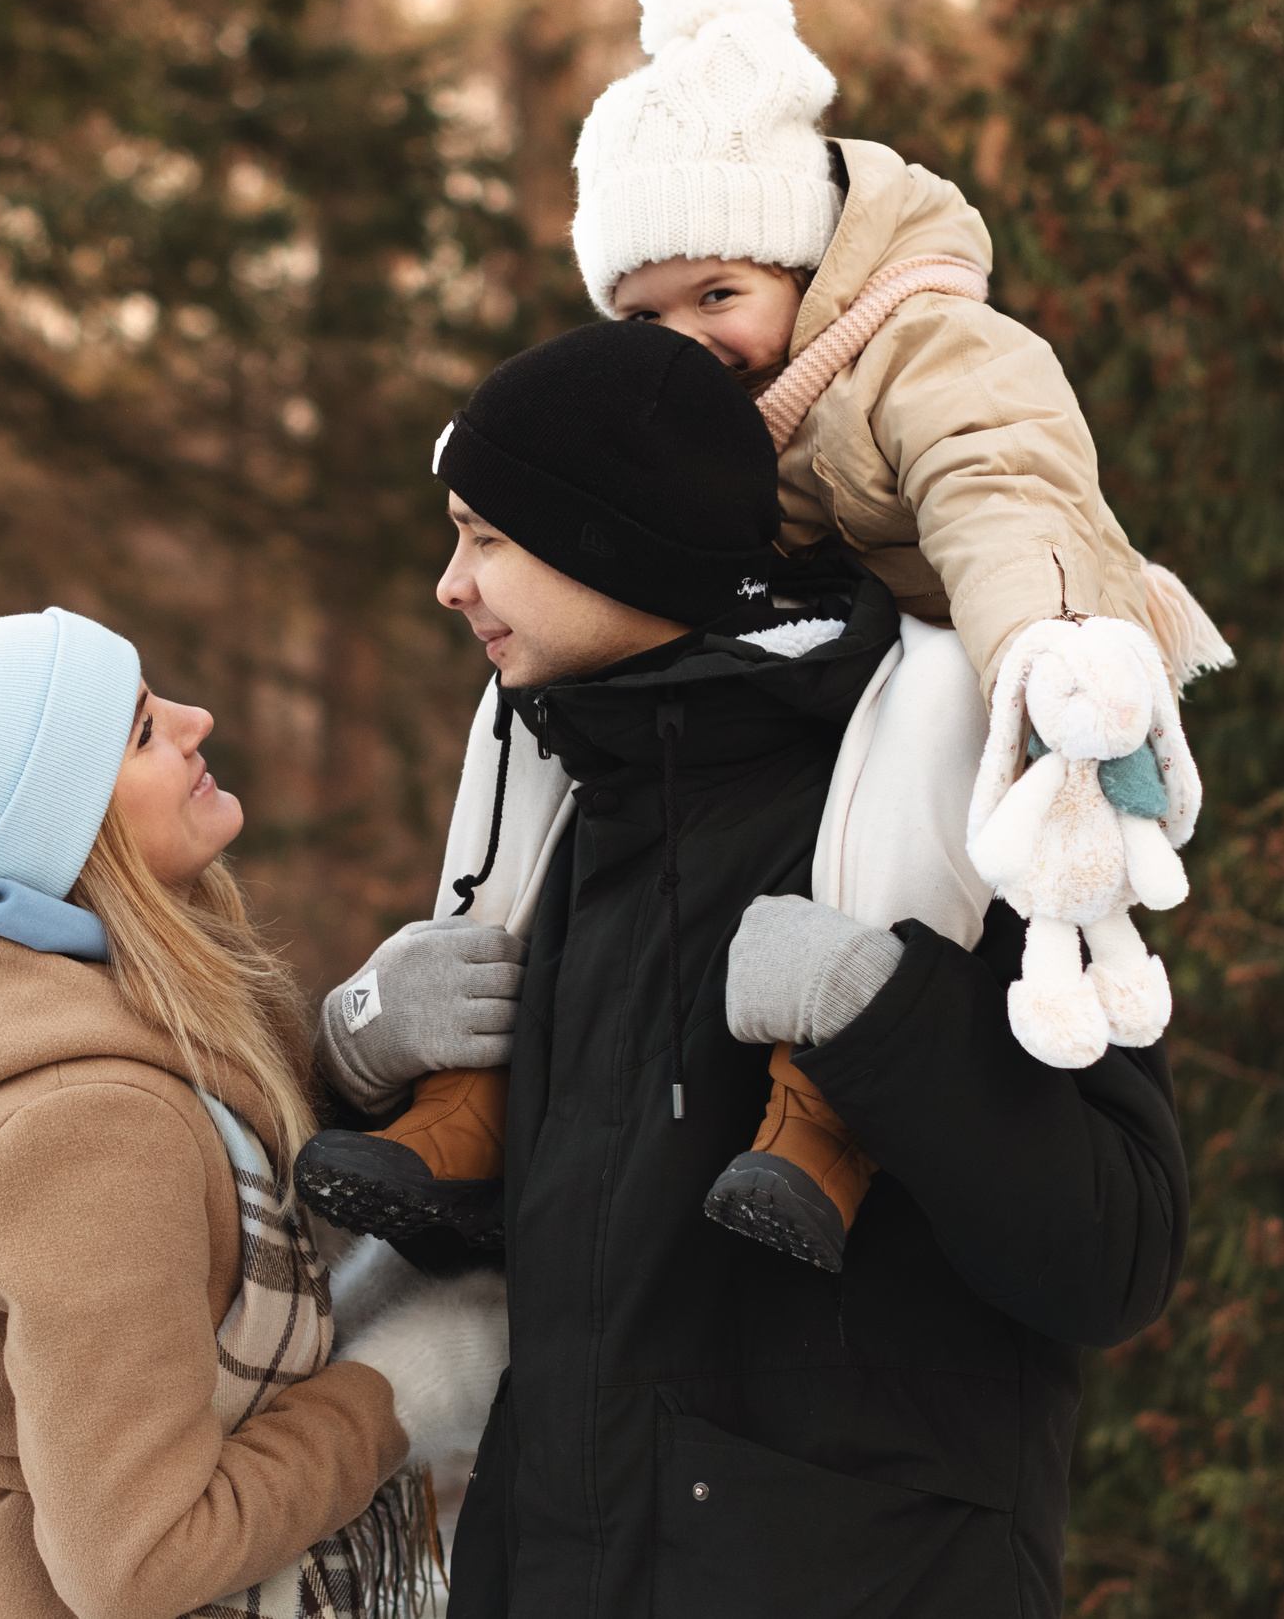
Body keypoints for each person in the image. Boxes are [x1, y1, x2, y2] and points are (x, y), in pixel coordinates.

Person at [298, 0, 1229, 1270]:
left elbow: (1002, 491)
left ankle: (826, 1091)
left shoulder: (928, 345)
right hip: (810, 648)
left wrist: (1043, 650)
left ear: (803, 263)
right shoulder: (717, 426)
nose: (685, 340)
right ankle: (467, 1070)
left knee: (926, 701)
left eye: (718, 296)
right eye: (645, 314)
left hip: (1000, 646)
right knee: (522, 696)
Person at [311, 321, 1189, 1616]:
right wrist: (360, 1049)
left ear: (612, 542)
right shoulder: (569, 811)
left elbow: (1117, 1249)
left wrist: (881, 1017)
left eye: (485, 539)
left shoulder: (957, 798)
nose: (450, 585)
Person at [0, 607, 506, 1619]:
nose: (194, 719)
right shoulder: (86, 1130)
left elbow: (207, 1216)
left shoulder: (19, 1023)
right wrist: (410, 1382)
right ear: (71, 834)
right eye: (139, 731)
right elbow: (143, 1560)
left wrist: (357, 1048)